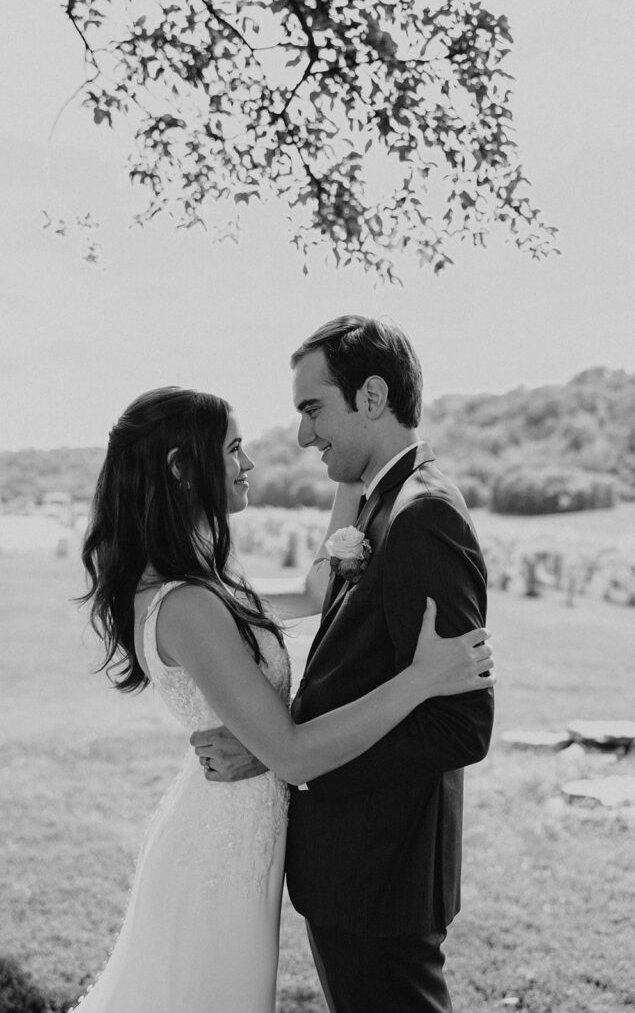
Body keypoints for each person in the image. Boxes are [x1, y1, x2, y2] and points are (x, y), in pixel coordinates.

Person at [72, 384, 494, 1013]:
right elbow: (293, 756)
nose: (248, 465)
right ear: (183, 470)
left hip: (246, 840)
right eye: (234, 450)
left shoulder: (207, 582)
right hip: (217, 854)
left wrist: (354, 476)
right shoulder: (185, 605)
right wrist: (423, 678)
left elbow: (313, 590)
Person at [191, 316, 495, 1013]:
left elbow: (459, 728)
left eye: (311, 408)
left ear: (370, 398)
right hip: (357, 871)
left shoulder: (422, 518)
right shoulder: (380, 503)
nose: (300, 436)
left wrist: (286, 755)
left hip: (382, 870)